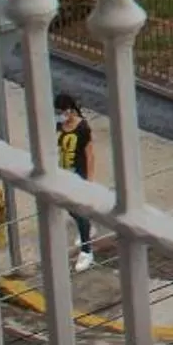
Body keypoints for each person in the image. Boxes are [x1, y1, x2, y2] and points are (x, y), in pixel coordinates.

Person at [54, 94, 96, 271]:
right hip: (64, 171)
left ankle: (87, 250)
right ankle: (87, 226)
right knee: (71, 209)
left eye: (62, 112)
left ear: (70, 110)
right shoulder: (60, 125)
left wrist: (89, 180)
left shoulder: (82, 128)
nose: (59, 115)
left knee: (76, 210)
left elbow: (90, 154)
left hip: (78, 174)